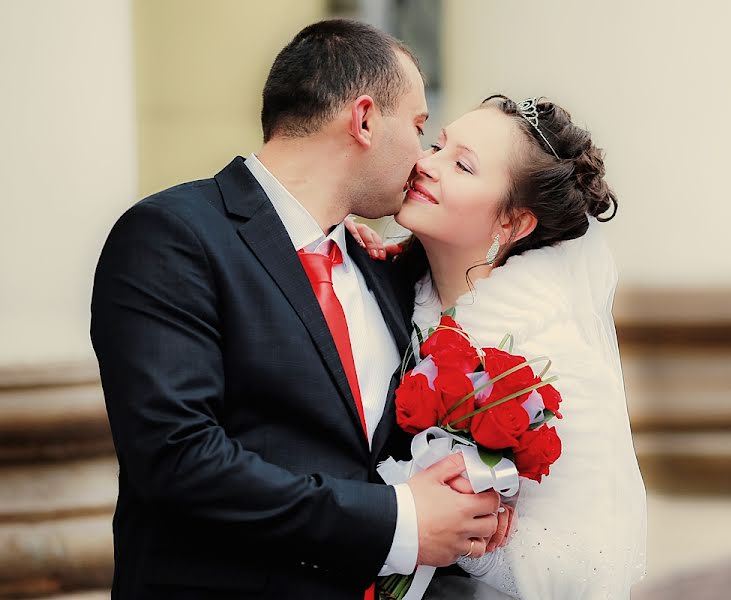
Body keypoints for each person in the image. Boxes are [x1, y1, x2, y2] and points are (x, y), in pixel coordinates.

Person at [90, 19, 501, 600]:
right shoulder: (172, 235)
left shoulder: (379, 265)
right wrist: (398, 522)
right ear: (362, 120)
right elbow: (177, 458)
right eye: (417, 127)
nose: (421, 157)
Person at [350, 95, 648, 599]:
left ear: (513, 222)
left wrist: (470, 534)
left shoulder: (554, 360)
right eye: (438, 145)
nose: (425, 164)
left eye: (462, 165)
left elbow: (587, 563)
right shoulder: (381, 289)